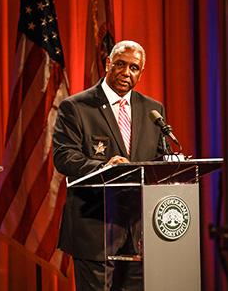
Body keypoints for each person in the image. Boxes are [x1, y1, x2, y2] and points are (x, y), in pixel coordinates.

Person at [53, 40, 165, 290]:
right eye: (121, 65)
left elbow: (158, 161)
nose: (126, 72)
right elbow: (64, 157)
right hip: (95, 228)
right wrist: (105, 166)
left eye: (134, 68)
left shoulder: (152, 110)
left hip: (138, 231)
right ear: (107, 64)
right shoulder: (76, 107)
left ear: (141, 72)